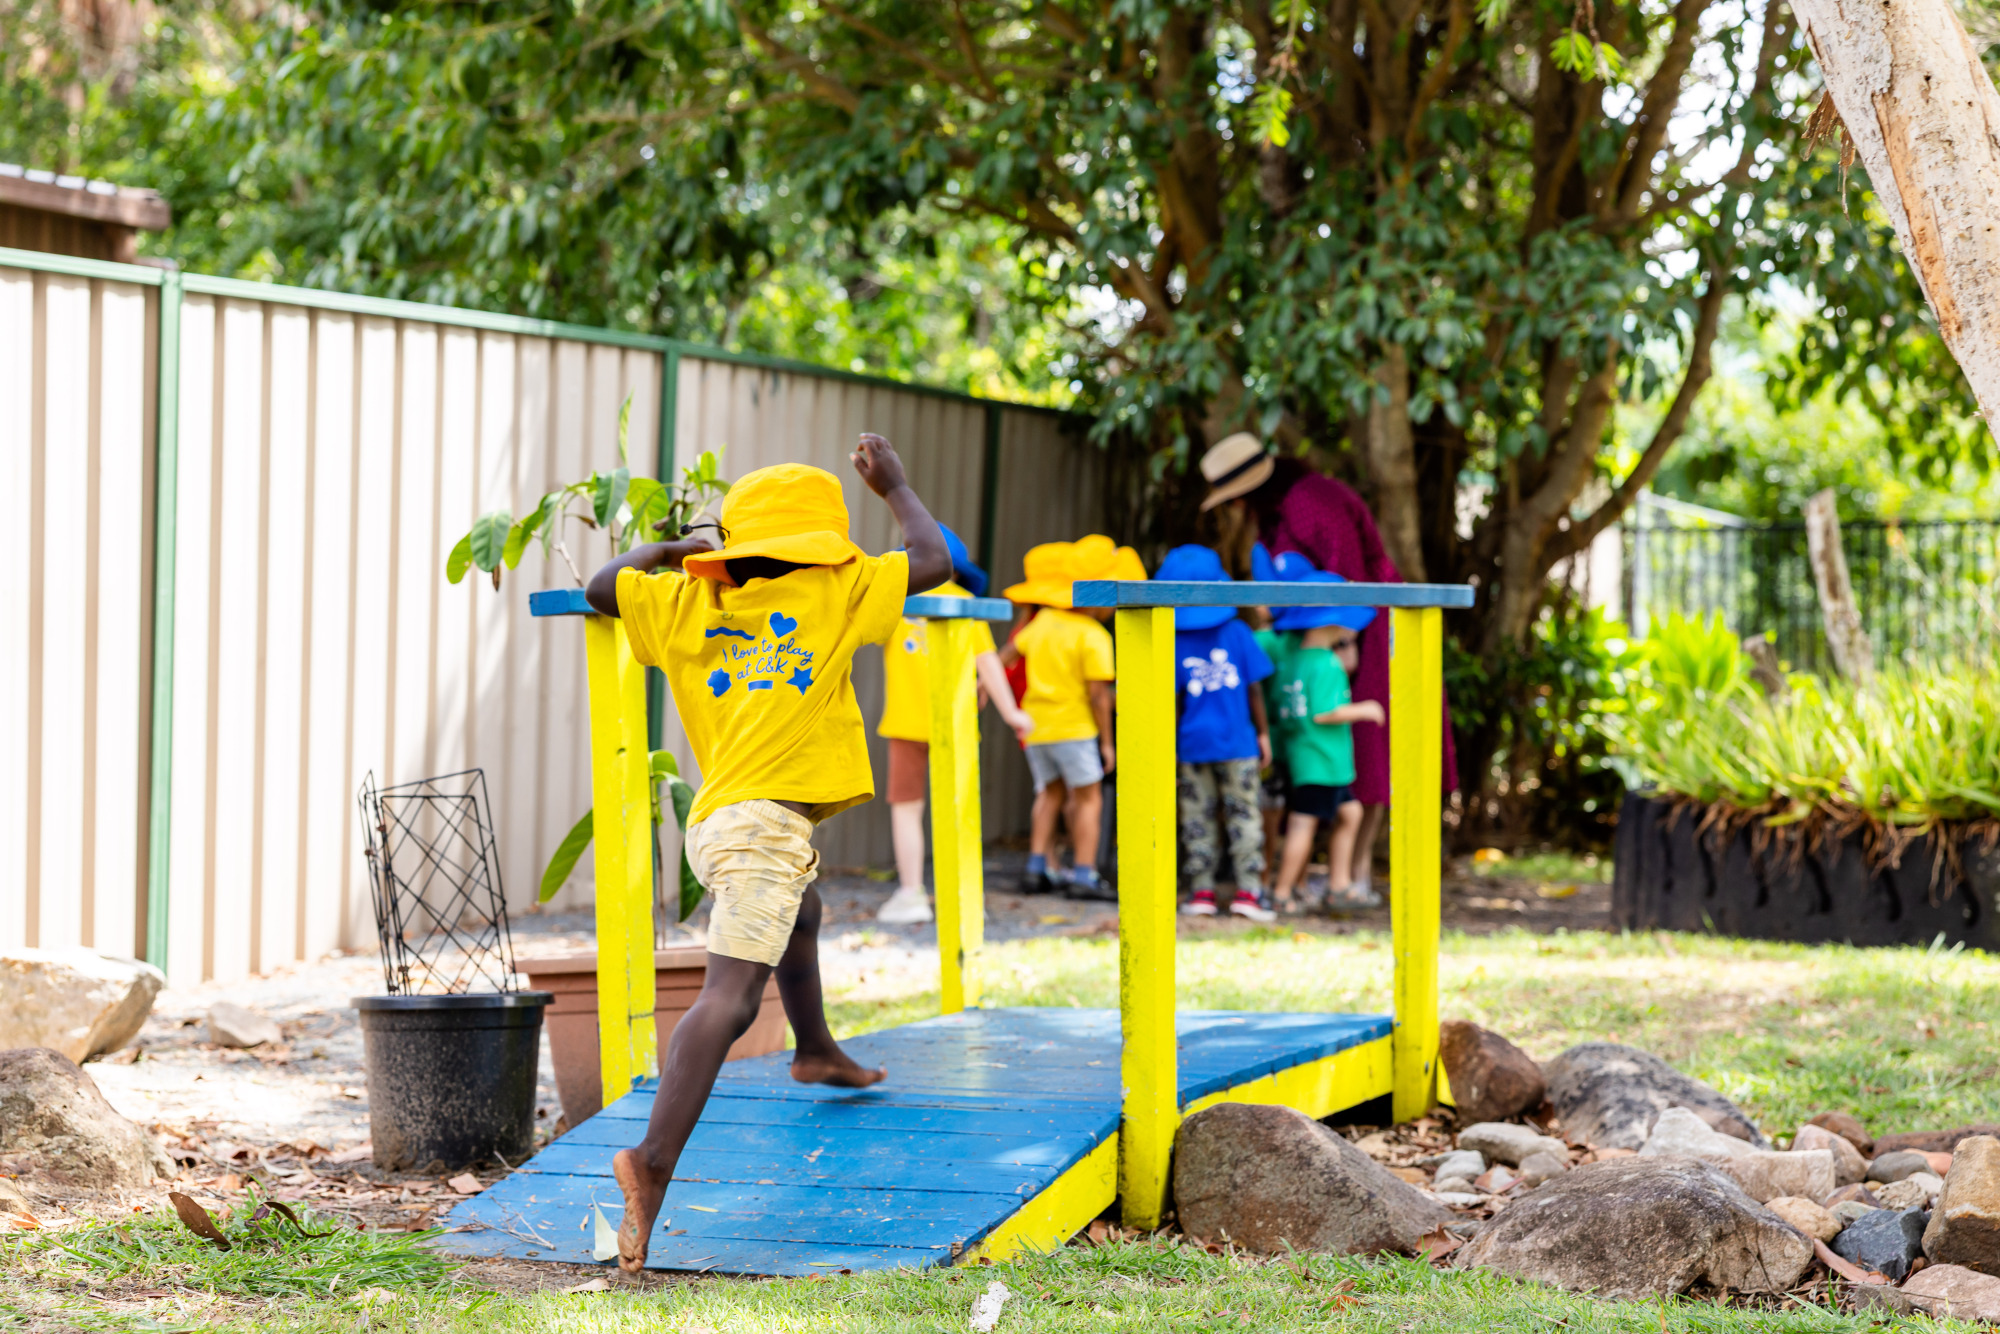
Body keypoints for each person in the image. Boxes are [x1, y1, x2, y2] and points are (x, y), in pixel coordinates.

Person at [580, 436, 952, 1272]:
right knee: (732, 995)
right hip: (763, 829)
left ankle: (815, 1048)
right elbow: (933, 557)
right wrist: (894, 485)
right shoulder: (838, 588)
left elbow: (600, 587)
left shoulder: (684, 605)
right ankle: (652, 1162)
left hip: (721, 822)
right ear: (822, 547)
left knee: (802, 912)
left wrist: (676, 551)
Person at [1200, 432, 1458, 901]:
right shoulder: (1279, 511)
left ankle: (1355, 876)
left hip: (1363, 628)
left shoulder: (1310, 500)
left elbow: (1348, 575)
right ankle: (1332, 877)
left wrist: (1344, 643)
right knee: (1343, 747)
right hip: (1319, 638)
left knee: (1370, 747)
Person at [874, 525, 1035, 924]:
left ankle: (911, 893)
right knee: (959, 807)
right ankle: (960, 892)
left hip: (906, 723)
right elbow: (989, 661)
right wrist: (1012, 712)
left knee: (907, 810)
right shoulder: (965, 602)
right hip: (957, 723)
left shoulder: (895, 601)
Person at [999, 537, 1135, 901]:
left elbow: (1007, 653)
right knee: (1089, 799)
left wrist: (985, 684)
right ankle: (1085, 875)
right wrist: (1108, 743)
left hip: (1038, 726)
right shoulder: (1093, 636)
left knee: (1049, 794)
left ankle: (1036, 867)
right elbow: (1098, 696)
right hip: (1074, 728)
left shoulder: (1041, 623)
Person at [1154, 544, 1277, 921]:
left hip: (1192, 743)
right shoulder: (1238, 631)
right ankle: (1248, 893)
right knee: (1244, 816)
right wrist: (1264, 734)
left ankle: (1201, 891)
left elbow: (1172, 699)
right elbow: (1254, 688)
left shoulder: (1171, 639)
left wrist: (1171, 741)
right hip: (1238, 742)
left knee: (1196, 817)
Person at [1267, 566, 1384, 912]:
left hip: (1314, 758)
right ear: (1330, 623)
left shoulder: (1295, 660)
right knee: (1303, 825)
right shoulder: (1327, 664)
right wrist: (1364, 709)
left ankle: (1339, 885)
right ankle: (1283, 893)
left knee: (1350, 813)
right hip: (1320, 760)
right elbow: (1323, 712)